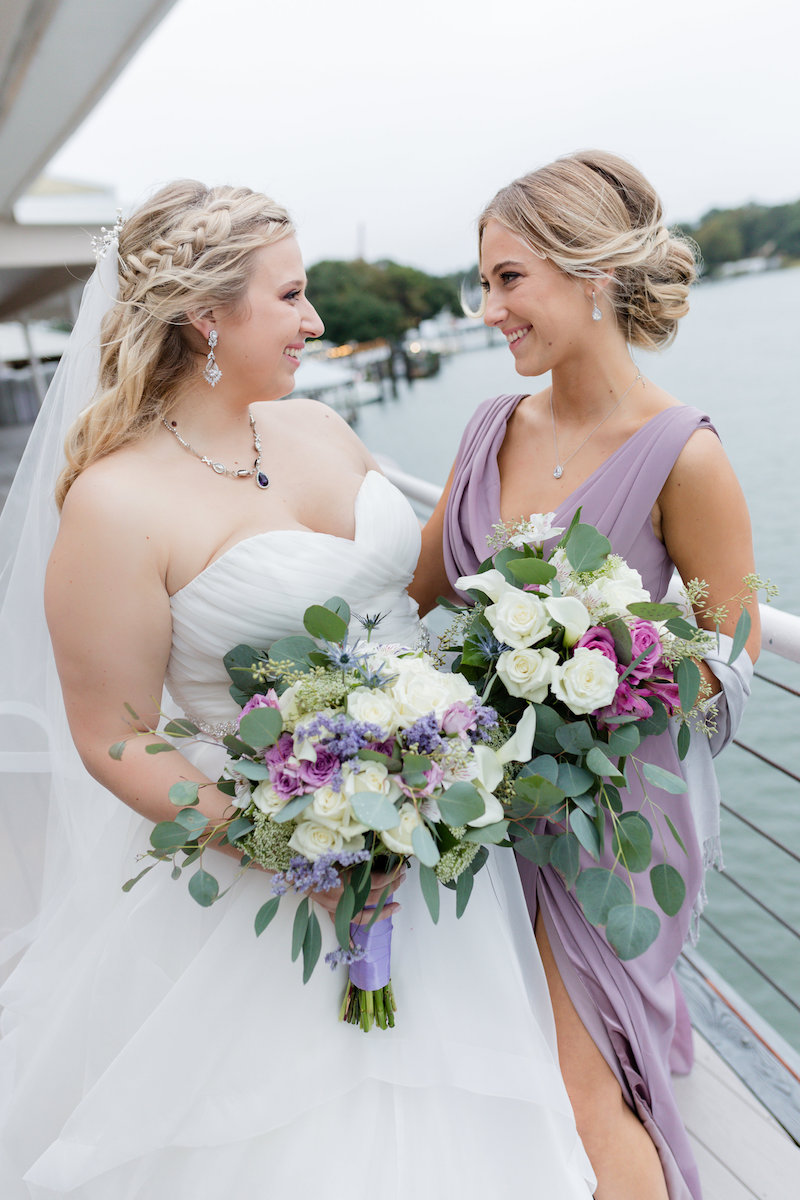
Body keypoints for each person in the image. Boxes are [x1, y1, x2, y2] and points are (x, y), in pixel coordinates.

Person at [0, 181, 595, 1198]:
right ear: (205, 318)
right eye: (292, 295)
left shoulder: (319, 425)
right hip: (268, 881)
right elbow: (111, 734)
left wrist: (554, 620)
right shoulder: (115, 500)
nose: (314, 321)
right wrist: (299, 846)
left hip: (434, 858)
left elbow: (408, 598)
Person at [411, 150, 758, 1200]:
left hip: (606, 824)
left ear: (590, 275)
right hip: (482, 809)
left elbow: (724, 668)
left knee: (576, 1085)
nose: (486, 310)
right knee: (494, 1062)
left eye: (507, 280)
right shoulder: (484, 431)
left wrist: (594, 662)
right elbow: (420, 596)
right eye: (482, 283)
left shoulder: (682, 454)